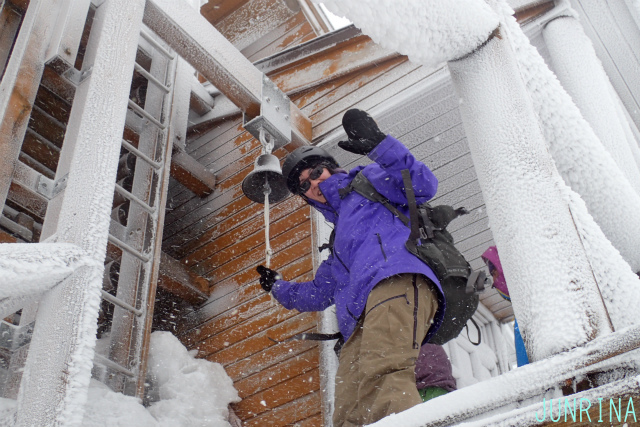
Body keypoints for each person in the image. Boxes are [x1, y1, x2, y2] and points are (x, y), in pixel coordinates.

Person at [256, 109, 446, 427]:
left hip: (394, 281)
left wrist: (379, 145)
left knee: (385, 375)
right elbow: (318, 294)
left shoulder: (368, 183)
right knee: (349, 410)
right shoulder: (338, 243)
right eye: (304, 184)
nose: (313, 183)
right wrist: (278, 286)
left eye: (316, 172)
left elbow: (423, 184)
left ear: (332, 168)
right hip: (358, 322)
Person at [481, 246, 529, 367]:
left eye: (494, 273)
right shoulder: (525, 306)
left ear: (504, 269)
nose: (494, 281)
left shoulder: (528, 308)